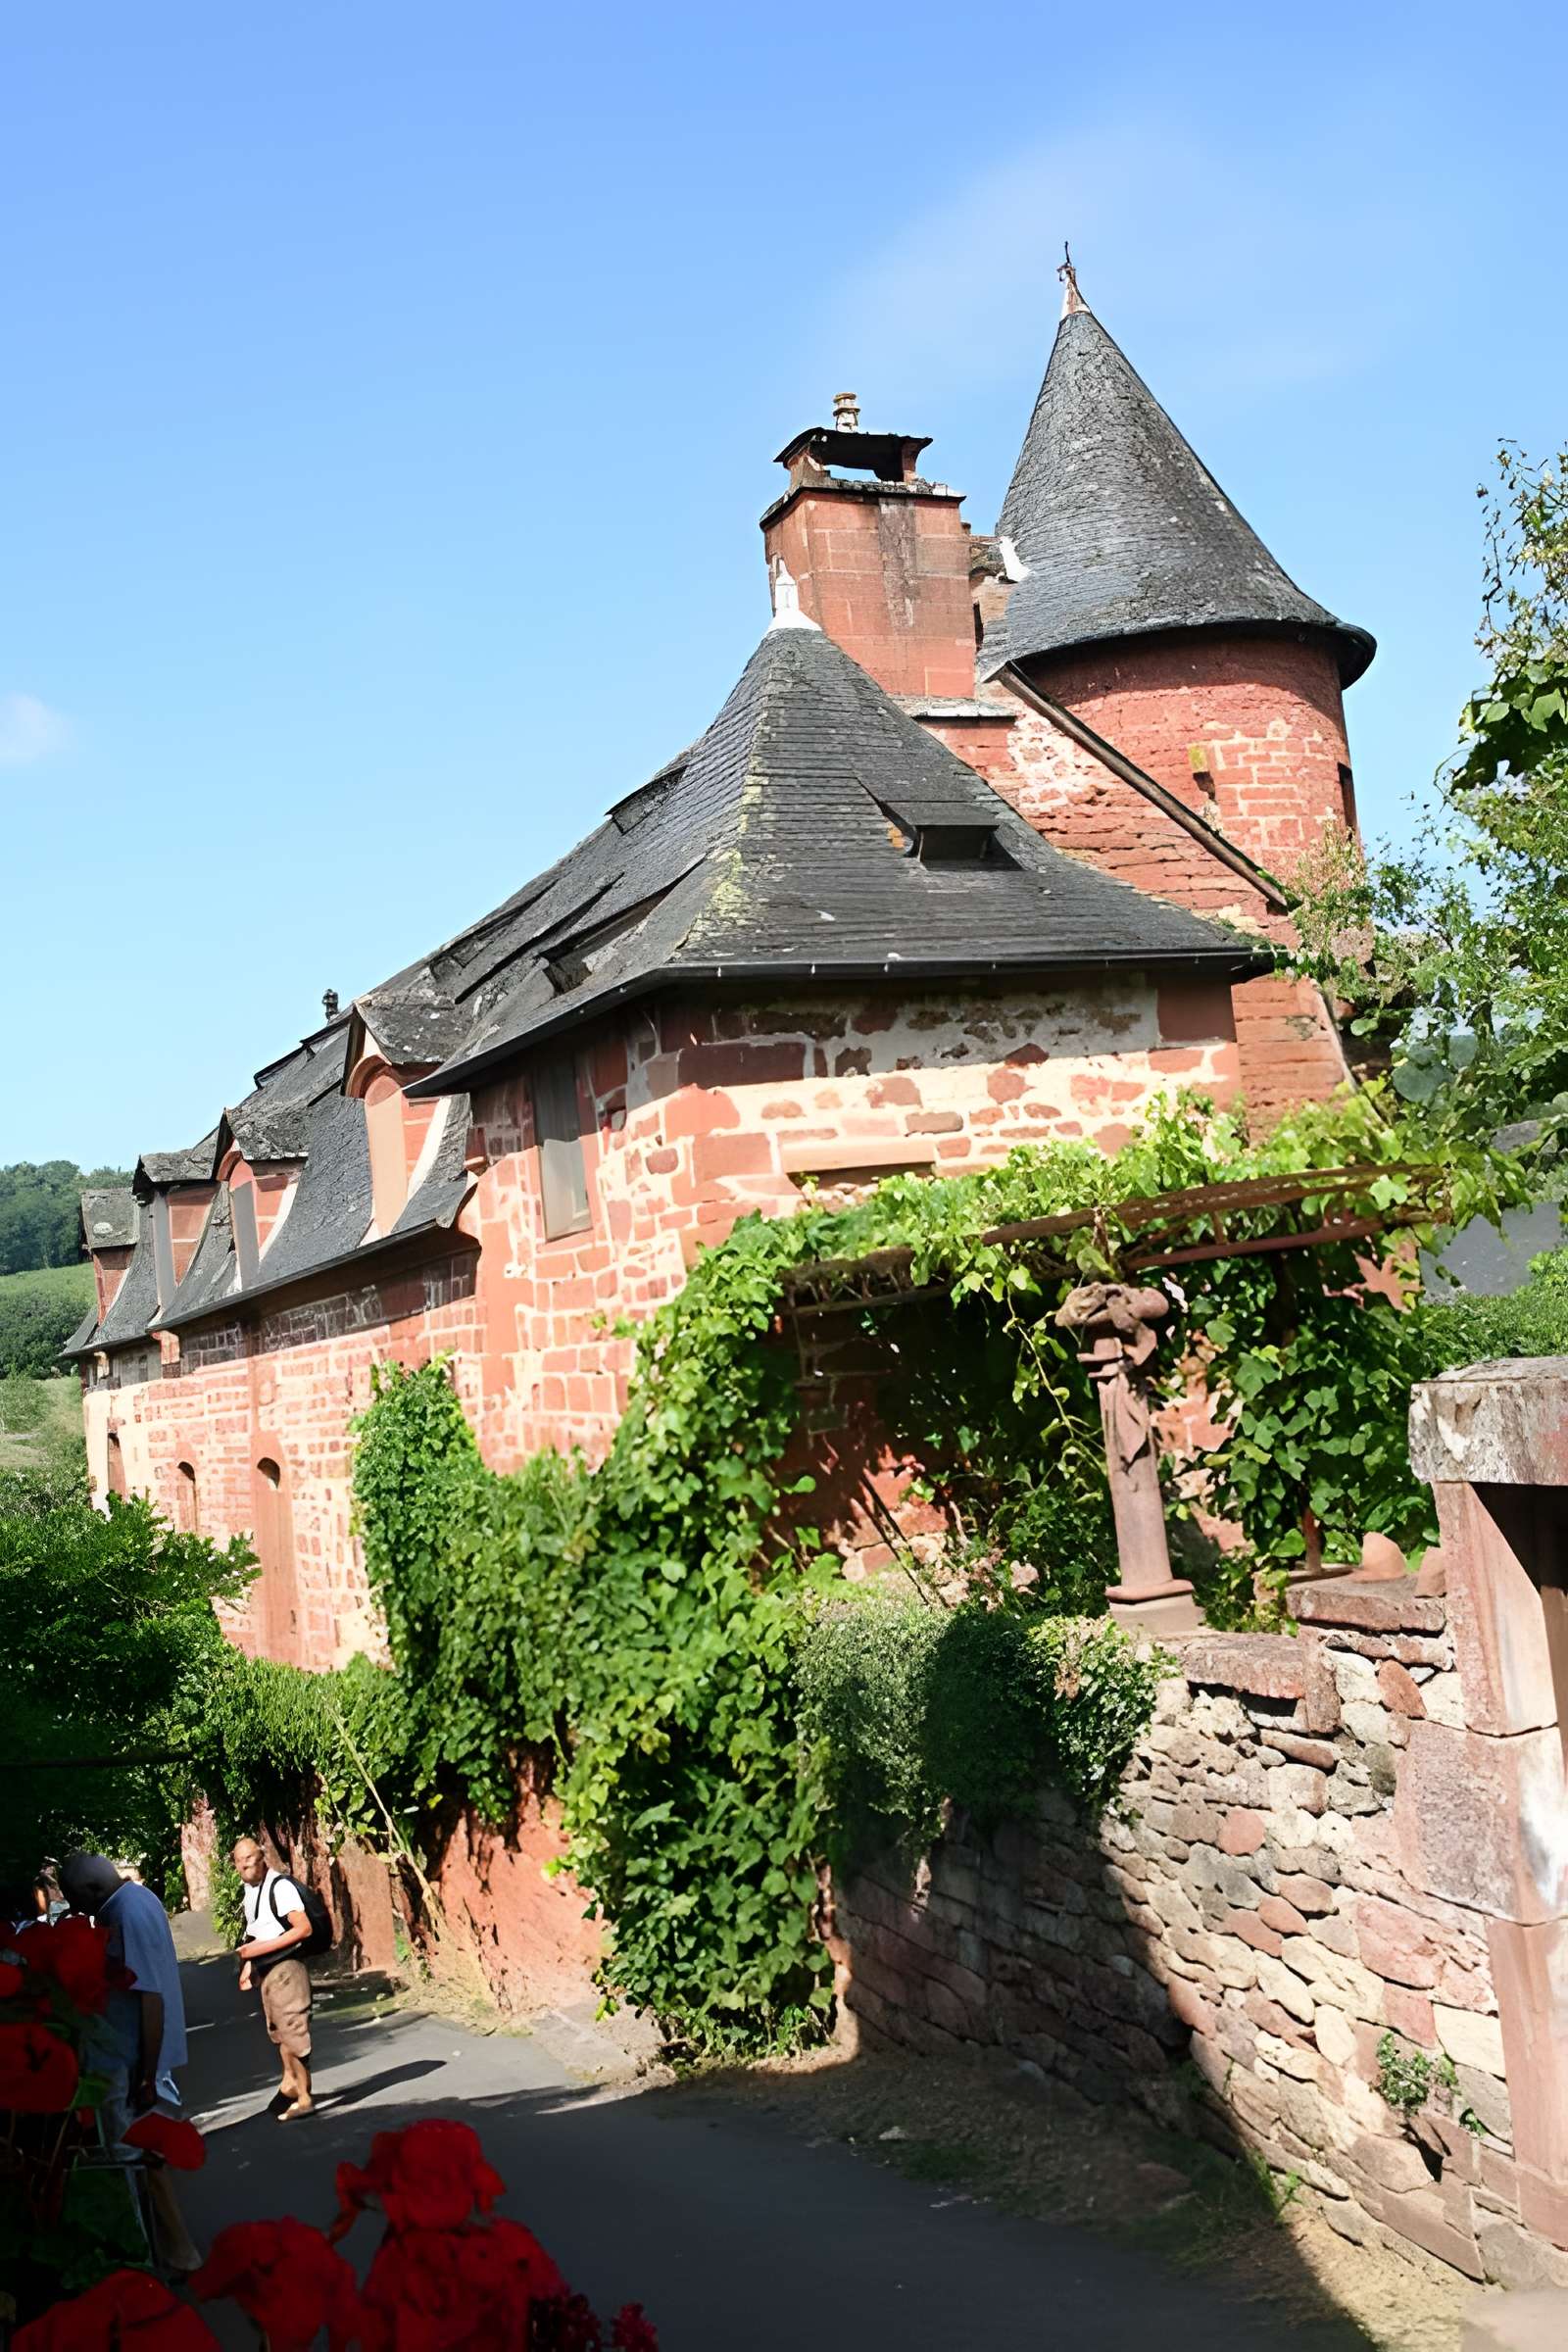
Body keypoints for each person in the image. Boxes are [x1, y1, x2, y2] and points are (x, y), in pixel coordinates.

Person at [58, 1852, 202, 2276]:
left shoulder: (124, 1913)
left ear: (91, 1891)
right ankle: (173, 2248)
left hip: (130, 2062)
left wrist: (145, 2073)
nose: (77, 1911)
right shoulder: (141, 1899)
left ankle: (173, 2251)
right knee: (146, 2158)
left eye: (75, 1900)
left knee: (138, 2160)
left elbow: (149, 1995)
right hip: (136, 2059)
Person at [231, 1838, 316, 2119]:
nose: (245, 1866)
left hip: (287, 1969)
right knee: (280, 2034)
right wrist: (249, 1964)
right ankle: (289, 2083)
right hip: (268, 1972)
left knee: (294, 2034)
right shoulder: (251, 1890)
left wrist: (260, 1950)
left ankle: (304, 2098)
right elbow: (258, 1930)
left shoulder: (280, 1888)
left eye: (250, 1859)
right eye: (239, 1862)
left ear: (262, 1857)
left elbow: (303, 1929)